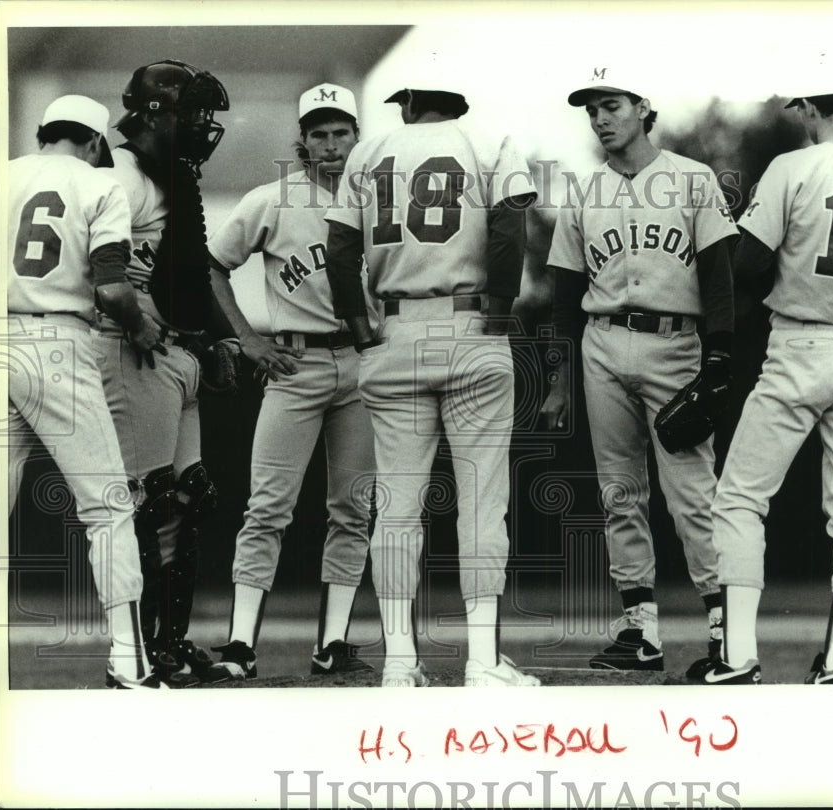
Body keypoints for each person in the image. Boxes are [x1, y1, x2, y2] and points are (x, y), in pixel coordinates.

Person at [324, 68, 540, 688]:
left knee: (395, 509)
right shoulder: (488, 140)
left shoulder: (369, 150)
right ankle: (480, 663)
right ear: (458, 98)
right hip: (470, 324)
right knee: (480, 502)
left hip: (393, 331)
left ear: (413, 101)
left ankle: (398, 662)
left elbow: (340, 250)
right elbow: (508, 229)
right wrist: (498, 315)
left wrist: (360, 330)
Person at [704, 84, 833, 685]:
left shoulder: (793, 165)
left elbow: (746, 265)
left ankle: (738, 657)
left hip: (802, 339)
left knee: (739, 499)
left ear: (810, 107)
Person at [539, 67, 737, 677]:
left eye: (611, 104)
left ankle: (727, 631)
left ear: (642, 107)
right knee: (619, 493)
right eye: (592, 108)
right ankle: (639, 634)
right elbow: (564, 292)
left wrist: (721, 355)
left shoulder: (692, 178)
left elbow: (719, 274)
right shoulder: (583, 190)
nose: (600, 118)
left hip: (675, 345)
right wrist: (555, 377)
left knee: (693, 496)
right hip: (601, 344)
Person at [206, 83, 376, 681]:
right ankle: (239, 646)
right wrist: (248, 340)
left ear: (359, 137)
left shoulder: (382, 201)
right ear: (301, 141)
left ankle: (332, 645)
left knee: (352, 509)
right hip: (295, 364)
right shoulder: (272, 200)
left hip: (362, 366)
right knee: (267, 508)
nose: (331, 145)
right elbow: (213, 265)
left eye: (341, 132)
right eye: (319, 133)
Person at [7, 94, 165, 689]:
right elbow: (113, 288)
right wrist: (144, 327)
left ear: (45, 132)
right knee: (107, 507)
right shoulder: (100, 184)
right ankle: (129, 661)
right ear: (96, 142)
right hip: (56, 344)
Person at [93, 59, 231, 687]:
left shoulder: (165, 174)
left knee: (191, 494)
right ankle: (146, 652)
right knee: (150, 502)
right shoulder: (117, 174)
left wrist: (217, 338)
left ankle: (171, 642)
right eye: (192, 111)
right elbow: (100, 275)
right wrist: (129, 325)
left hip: (170, 346)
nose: (203, 124)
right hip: (132, 345)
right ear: (154, 111)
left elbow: (183, 272)